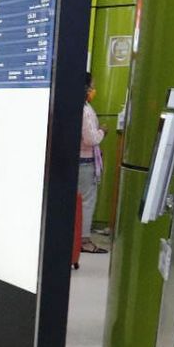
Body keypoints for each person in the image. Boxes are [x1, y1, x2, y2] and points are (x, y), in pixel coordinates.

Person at [79, 72, 106, 256]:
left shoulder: (75, 105)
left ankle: (75, 239)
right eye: (92, 85)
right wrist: (102, 131)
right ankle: (84, 241)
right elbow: (90, 138)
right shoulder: (85, 110)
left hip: (76, 161)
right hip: (85, 162)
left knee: (77, 203)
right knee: (87, 202)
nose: (93, 89)